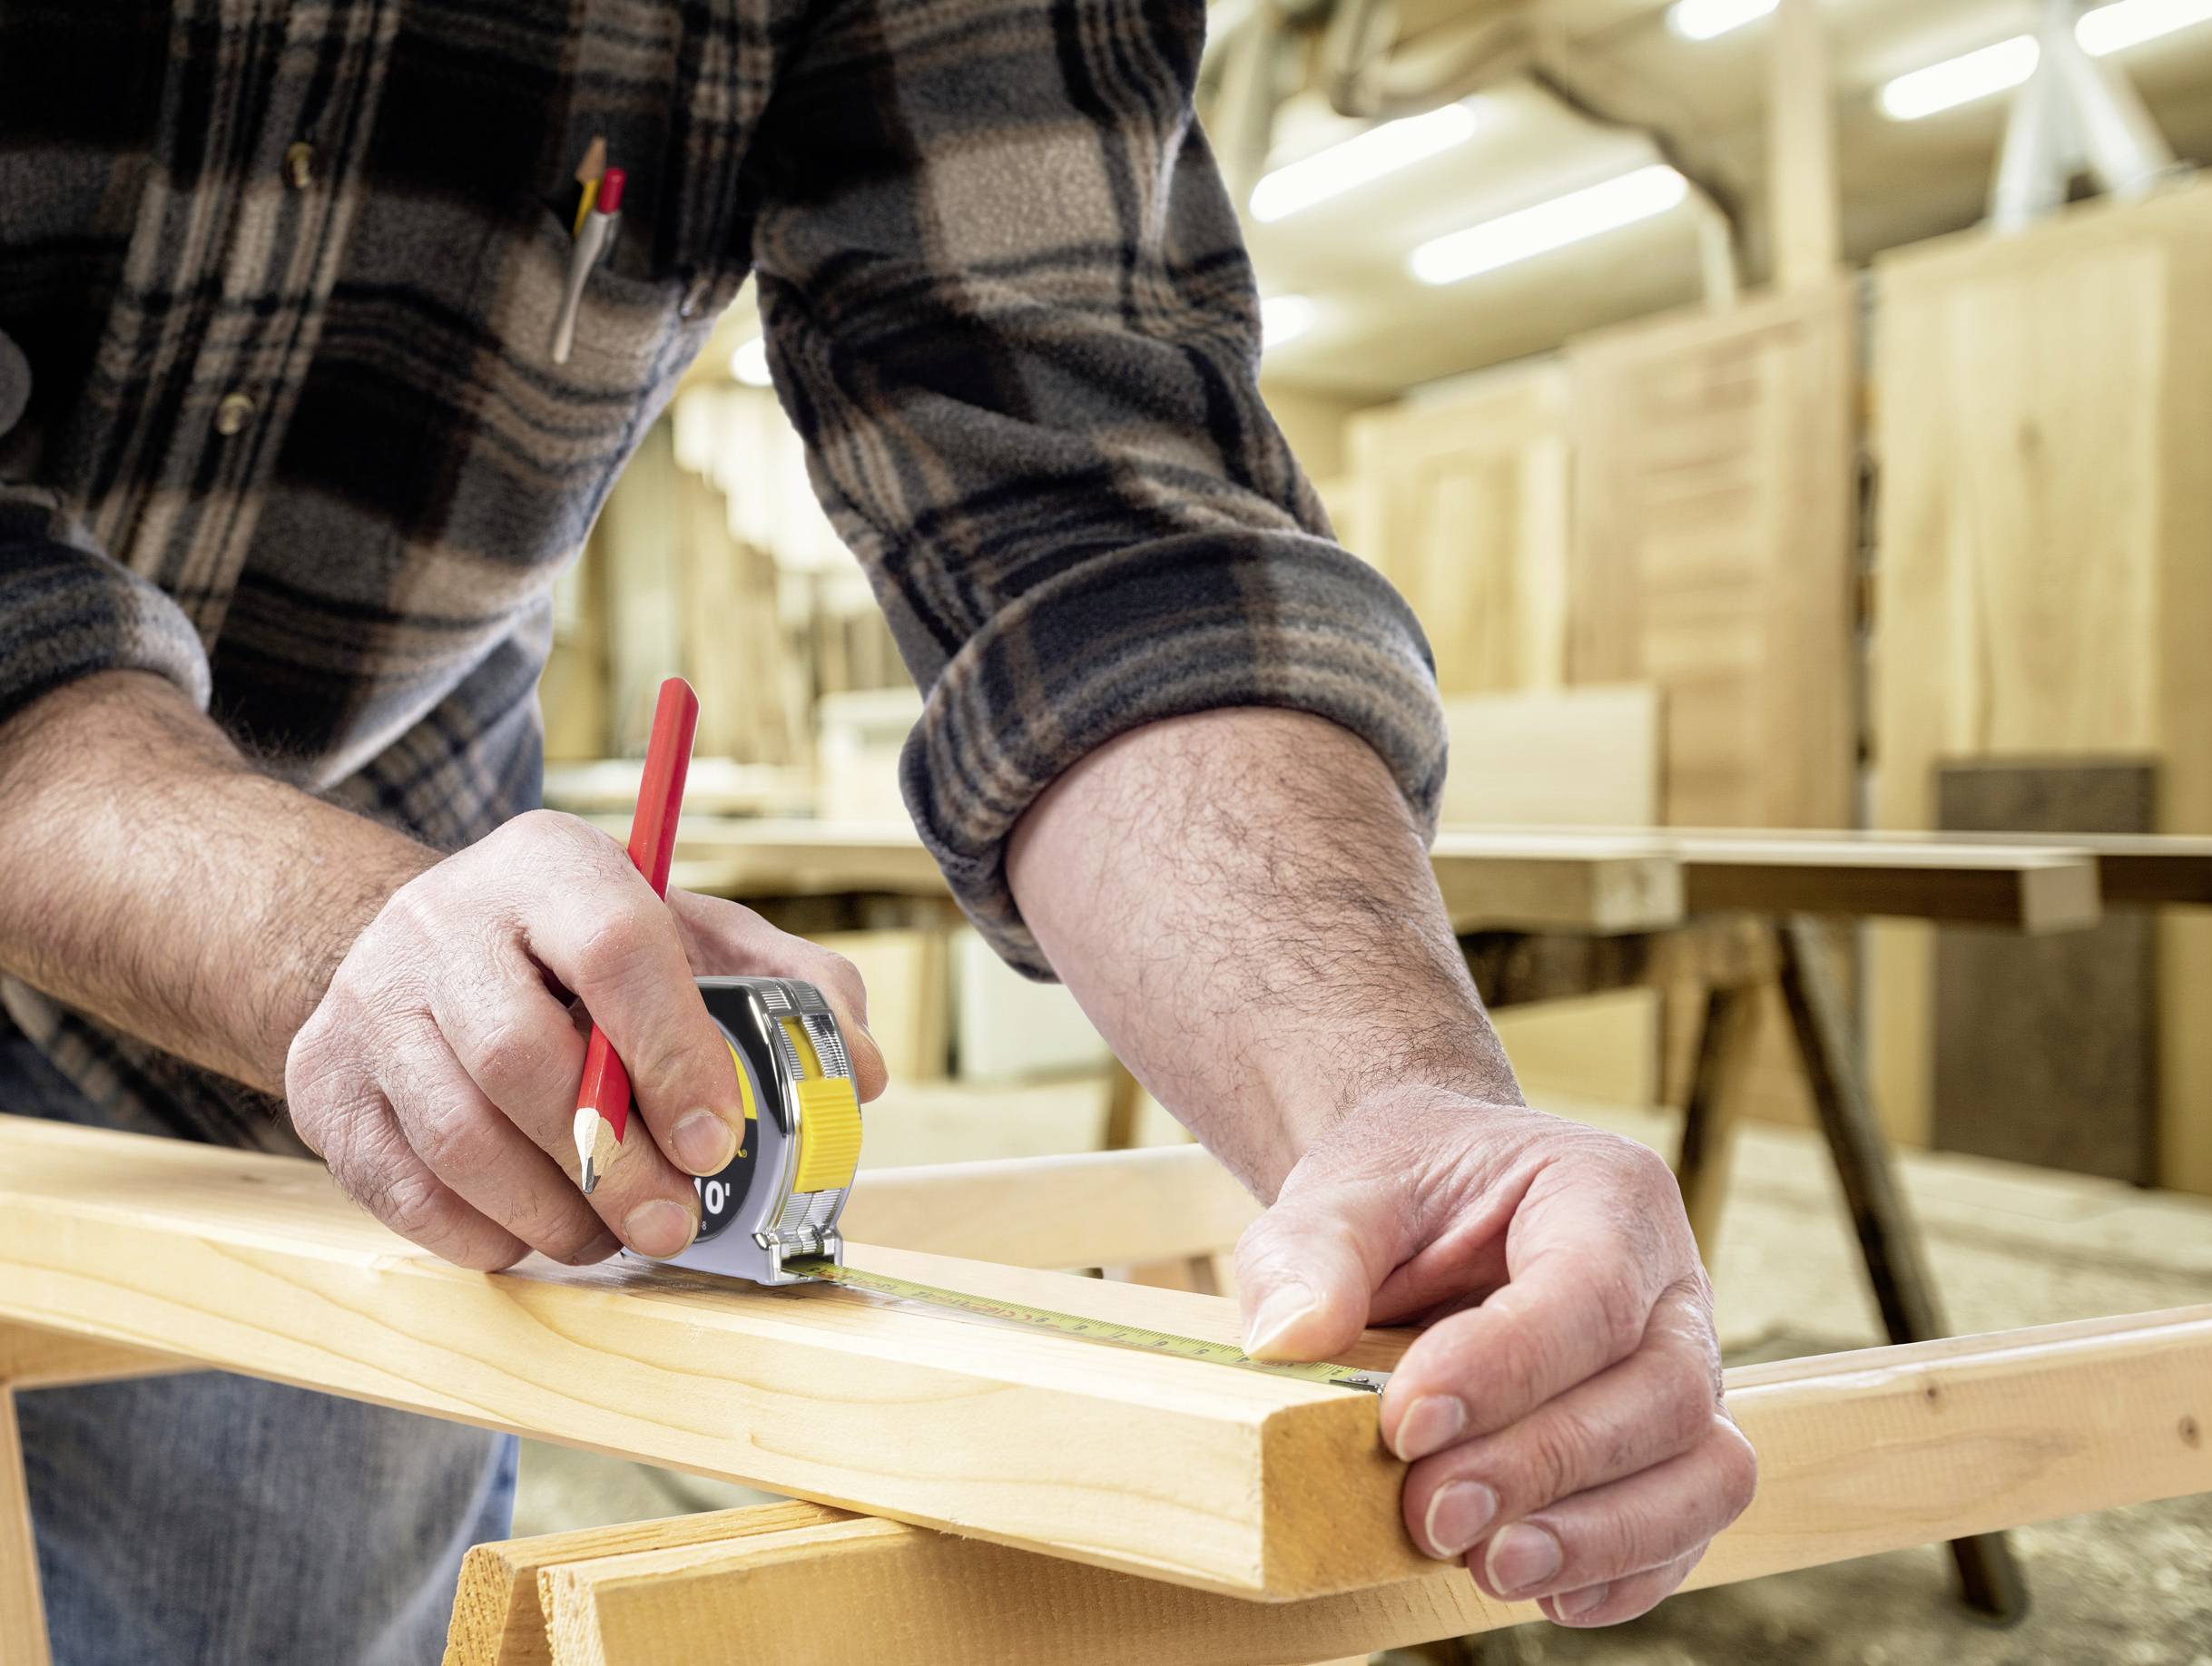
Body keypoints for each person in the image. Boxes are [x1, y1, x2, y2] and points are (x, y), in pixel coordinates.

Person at [0, 1, 1753, 1659]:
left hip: (387, 852)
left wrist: (1386, 1093)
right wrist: (313, 931)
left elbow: (1085, 502)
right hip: (322, 913)